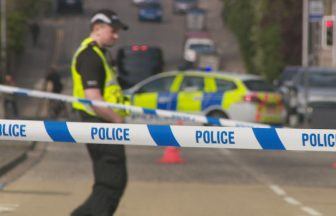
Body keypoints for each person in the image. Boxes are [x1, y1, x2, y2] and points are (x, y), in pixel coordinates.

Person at [70, 9, 129, 216]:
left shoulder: (100, 54)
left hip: (103, 124)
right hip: (99, 124)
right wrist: (117, 119)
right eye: (113, 31)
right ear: (98, 28)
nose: (116, 35)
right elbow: (94, 98)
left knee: (112, 182)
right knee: (111, 183)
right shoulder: (90, 56)